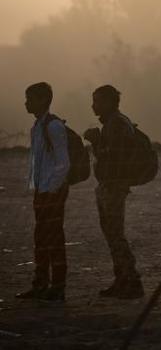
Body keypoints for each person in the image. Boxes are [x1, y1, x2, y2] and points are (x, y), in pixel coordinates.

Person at [83, 85, 144, 299]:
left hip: (114, 186)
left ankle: (131, 281)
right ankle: (122, 280)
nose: (94, 105)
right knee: (112, 234)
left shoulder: (116, 124)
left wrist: (96, 141)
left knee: (115, 235)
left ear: (109, 102)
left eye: (97, 101)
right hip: (111, 185)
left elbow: (114, 157)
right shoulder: (114, 123)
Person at [16, 82, 71, 302]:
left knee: (54, 238)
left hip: (52, 191)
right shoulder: (38, 126)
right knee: (41, 237)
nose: (26, 103)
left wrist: (52, 189)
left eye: (30, 98)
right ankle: (40, 284)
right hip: (43, 189)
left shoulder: (53, 126)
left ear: (42, 100)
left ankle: (57, 286)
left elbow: (63, 163)